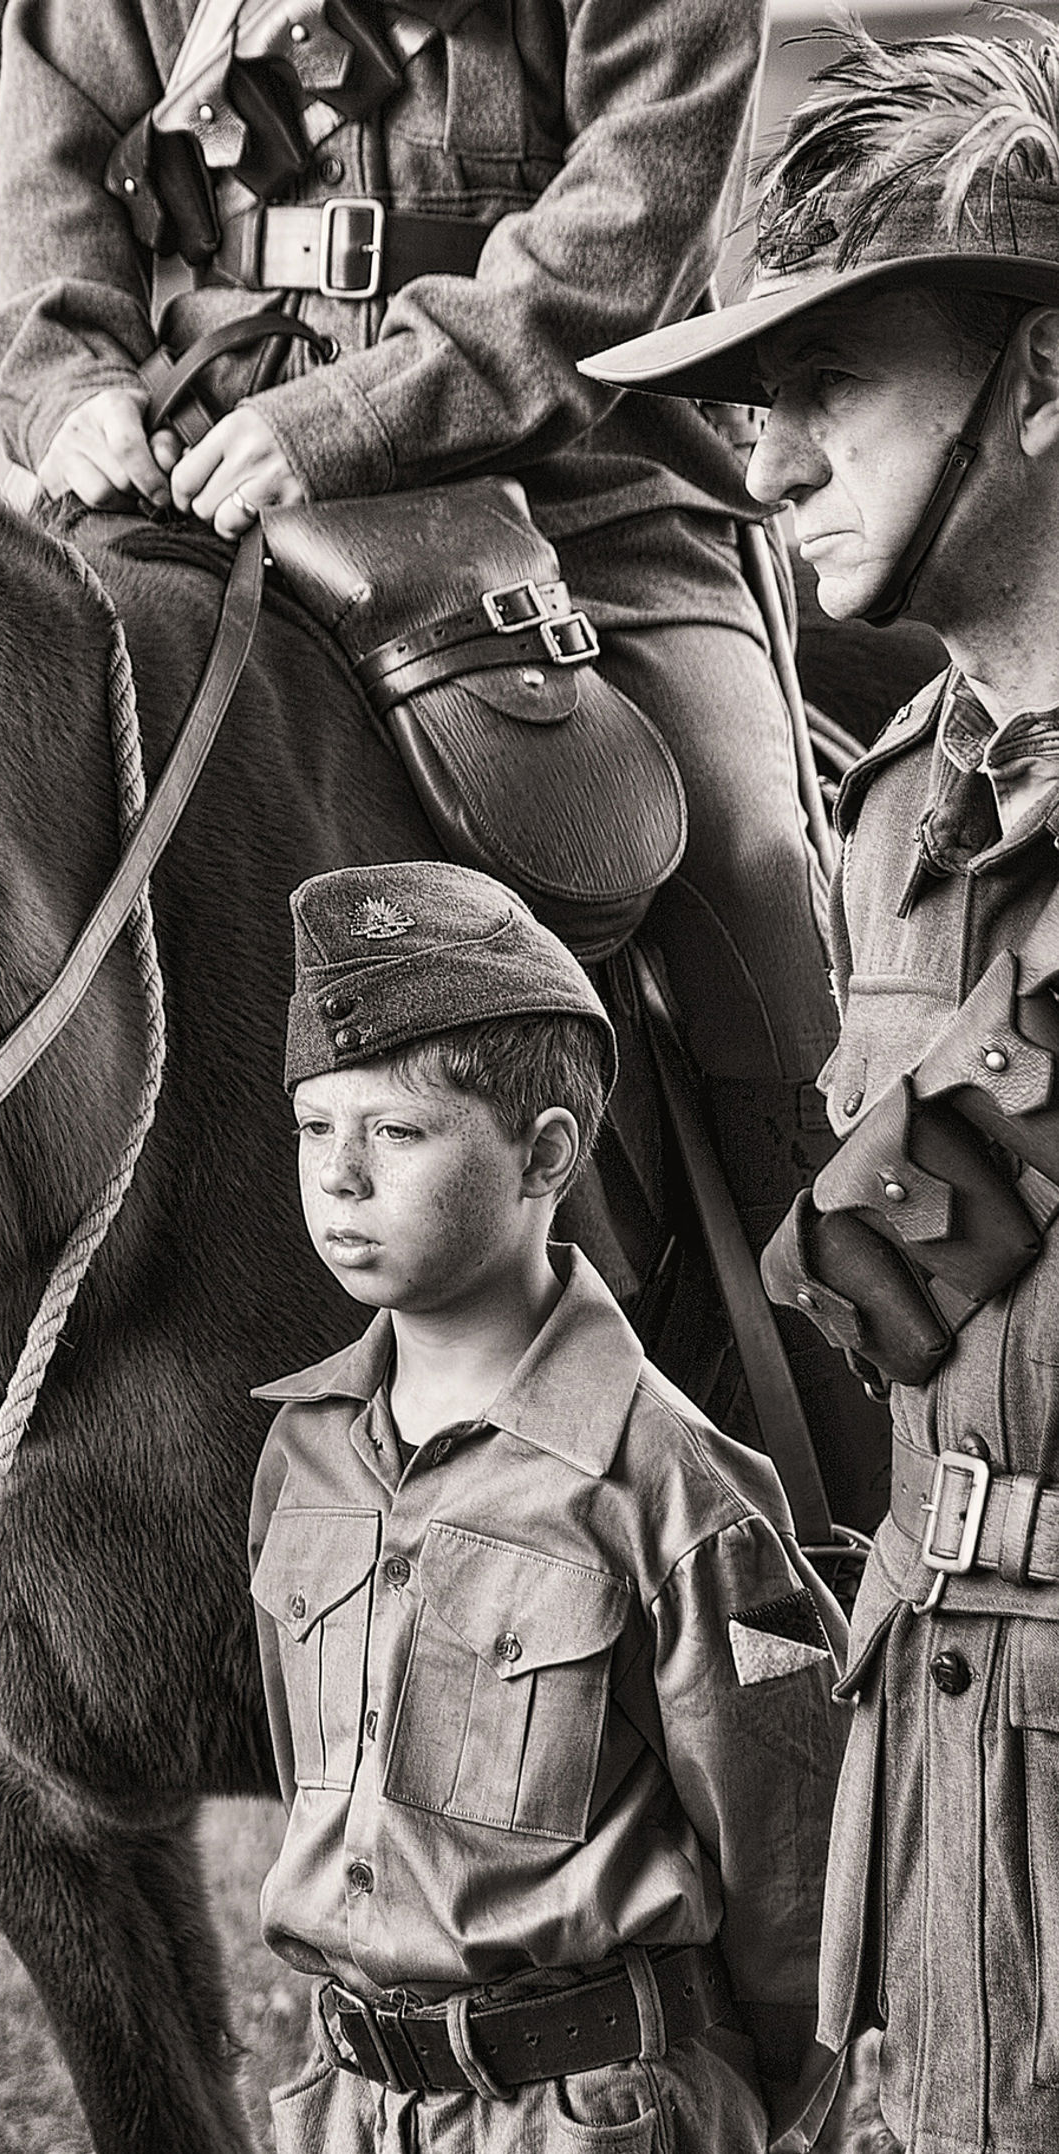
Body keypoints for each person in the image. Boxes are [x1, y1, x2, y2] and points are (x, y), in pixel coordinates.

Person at [0, 0, 888, 1524]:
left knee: (748, 866)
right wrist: (70, 387)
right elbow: (49, 193)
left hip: (569, 480)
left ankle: (835, 1469)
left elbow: (629, 218)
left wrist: (352, 415)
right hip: (187, 479)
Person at [583, 22, 1059, 2151]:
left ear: (1035, 384)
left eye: (821, 396)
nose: (760, 472)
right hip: (932, 1756)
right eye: (748, 412)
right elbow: (887, 1317)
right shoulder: (885, 828)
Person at [250, 857, 844, 2152]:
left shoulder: (666, 1483)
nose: (338, 1178)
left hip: (590, 2114)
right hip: (342, 2102)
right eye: (313, 1127)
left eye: (396, 1132)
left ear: (546, 1155)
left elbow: (790, 1879)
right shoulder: (304, 1453)